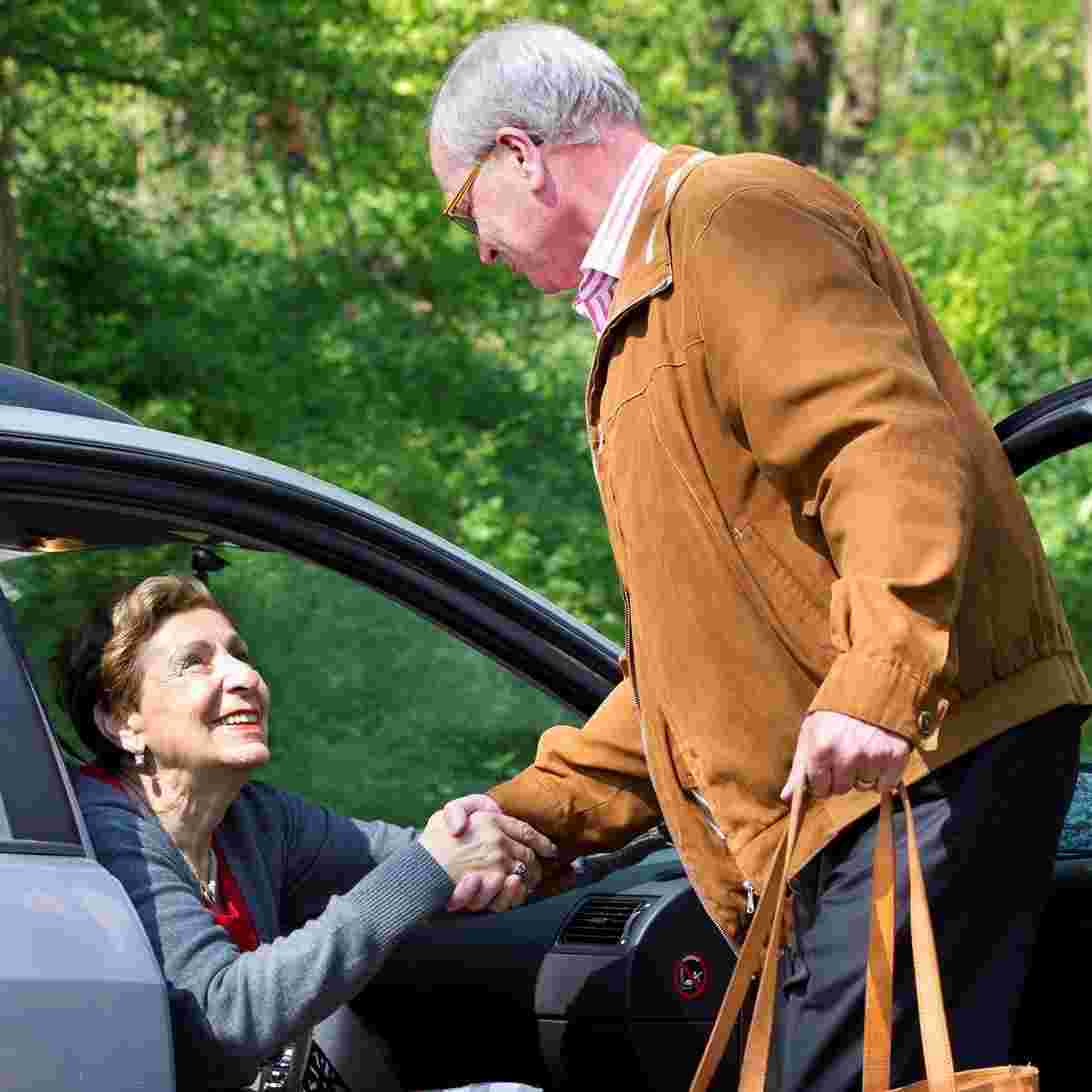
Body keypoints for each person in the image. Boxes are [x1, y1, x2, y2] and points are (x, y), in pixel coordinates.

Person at [429, 20, 1092, 1091]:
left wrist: (875, 682)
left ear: (521, 156)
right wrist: (534, 812)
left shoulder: (735, 218)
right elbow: (693, 667)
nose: (481, 248)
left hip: (917, 759)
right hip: (847, 794)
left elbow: (884, 446)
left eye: (466, 208)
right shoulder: (645, 309)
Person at [60, 574, 555, 1090]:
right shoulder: (104, 832)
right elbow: (220, 1019)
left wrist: (521, 844)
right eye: (195, 662)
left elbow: (412, 856)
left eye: (240, 655)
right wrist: (431, 866)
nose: (245, 677)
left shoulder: (251, 818)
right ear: (123, 721)